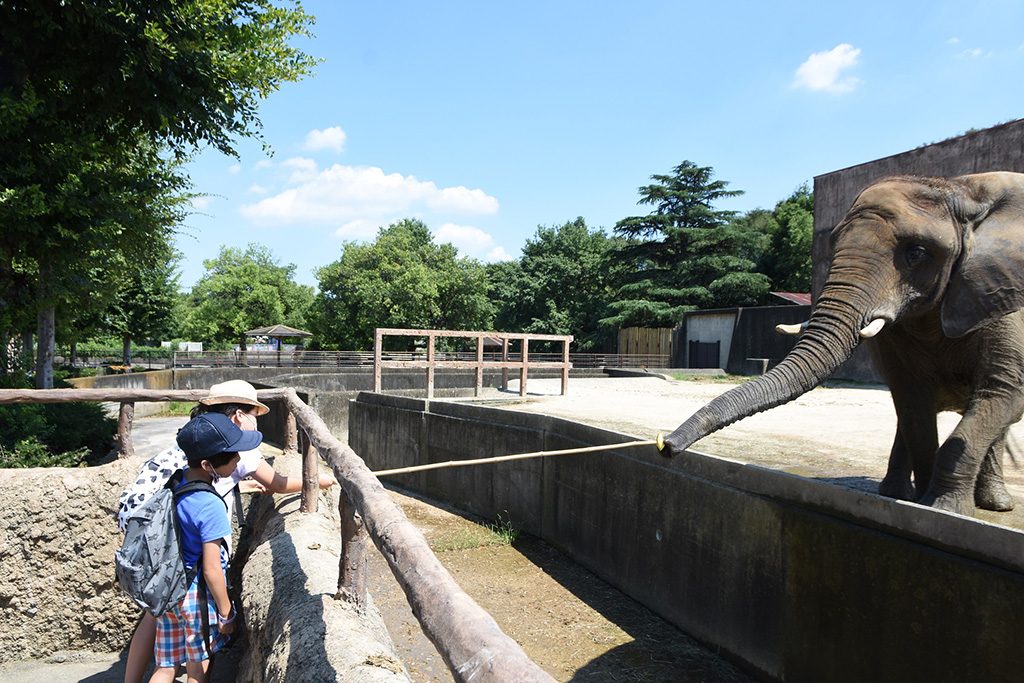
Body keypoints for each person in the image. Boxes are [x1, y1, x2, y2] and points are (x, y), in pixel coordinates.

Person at [122, 379, 337, 683]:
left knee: (162, 652)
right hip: (195, 589)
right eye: (254, 413)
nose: (255, 420)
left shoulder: (195, 441)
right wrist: (321, 481)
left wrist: (240, 483)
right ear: (238, 414)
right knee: (199, 663)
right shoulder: (230, 446)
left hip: (160, 555)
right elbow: (276, 483)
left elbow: (209, 481)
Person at [149, 412, 255, 683]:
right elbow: (211, 569)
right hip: (193, 596)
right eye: (233, 457)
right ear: (208, 465)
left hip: (168, 588)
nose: (239, 460)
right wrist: (226, 612)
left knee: (166, 666)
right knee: (198, 667)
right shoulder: (210, 506)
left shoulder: (177, 481)